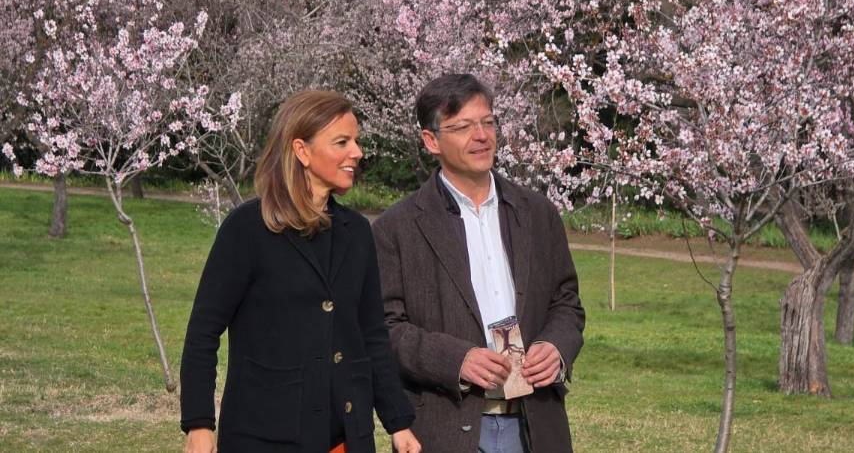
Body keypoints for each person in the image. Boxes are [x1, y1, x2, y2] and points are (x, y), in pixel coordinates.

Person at [180, 91, 421, 453]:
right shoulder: (247, 228)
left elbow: (371, 333)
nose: (356, 152)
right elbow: (203, 332)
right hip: (264, 435)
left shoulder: (357, 232)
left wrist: (397, 422)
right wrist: (199, 424)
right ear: (301, 150)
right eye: (342, 142)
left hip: (347, 437)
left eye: (356, 141)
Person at [373, 74, 585, 453]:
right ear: (430, 141)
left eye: (487, 122)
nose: (481, 135)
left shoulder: (537, 213)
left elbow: (566, 302)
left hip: (535, 421)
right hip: (446, 427)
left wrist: (556, 346)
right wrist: (457, 360)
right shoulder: (397, 228)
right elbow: (384, 330)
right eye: (463, 127)